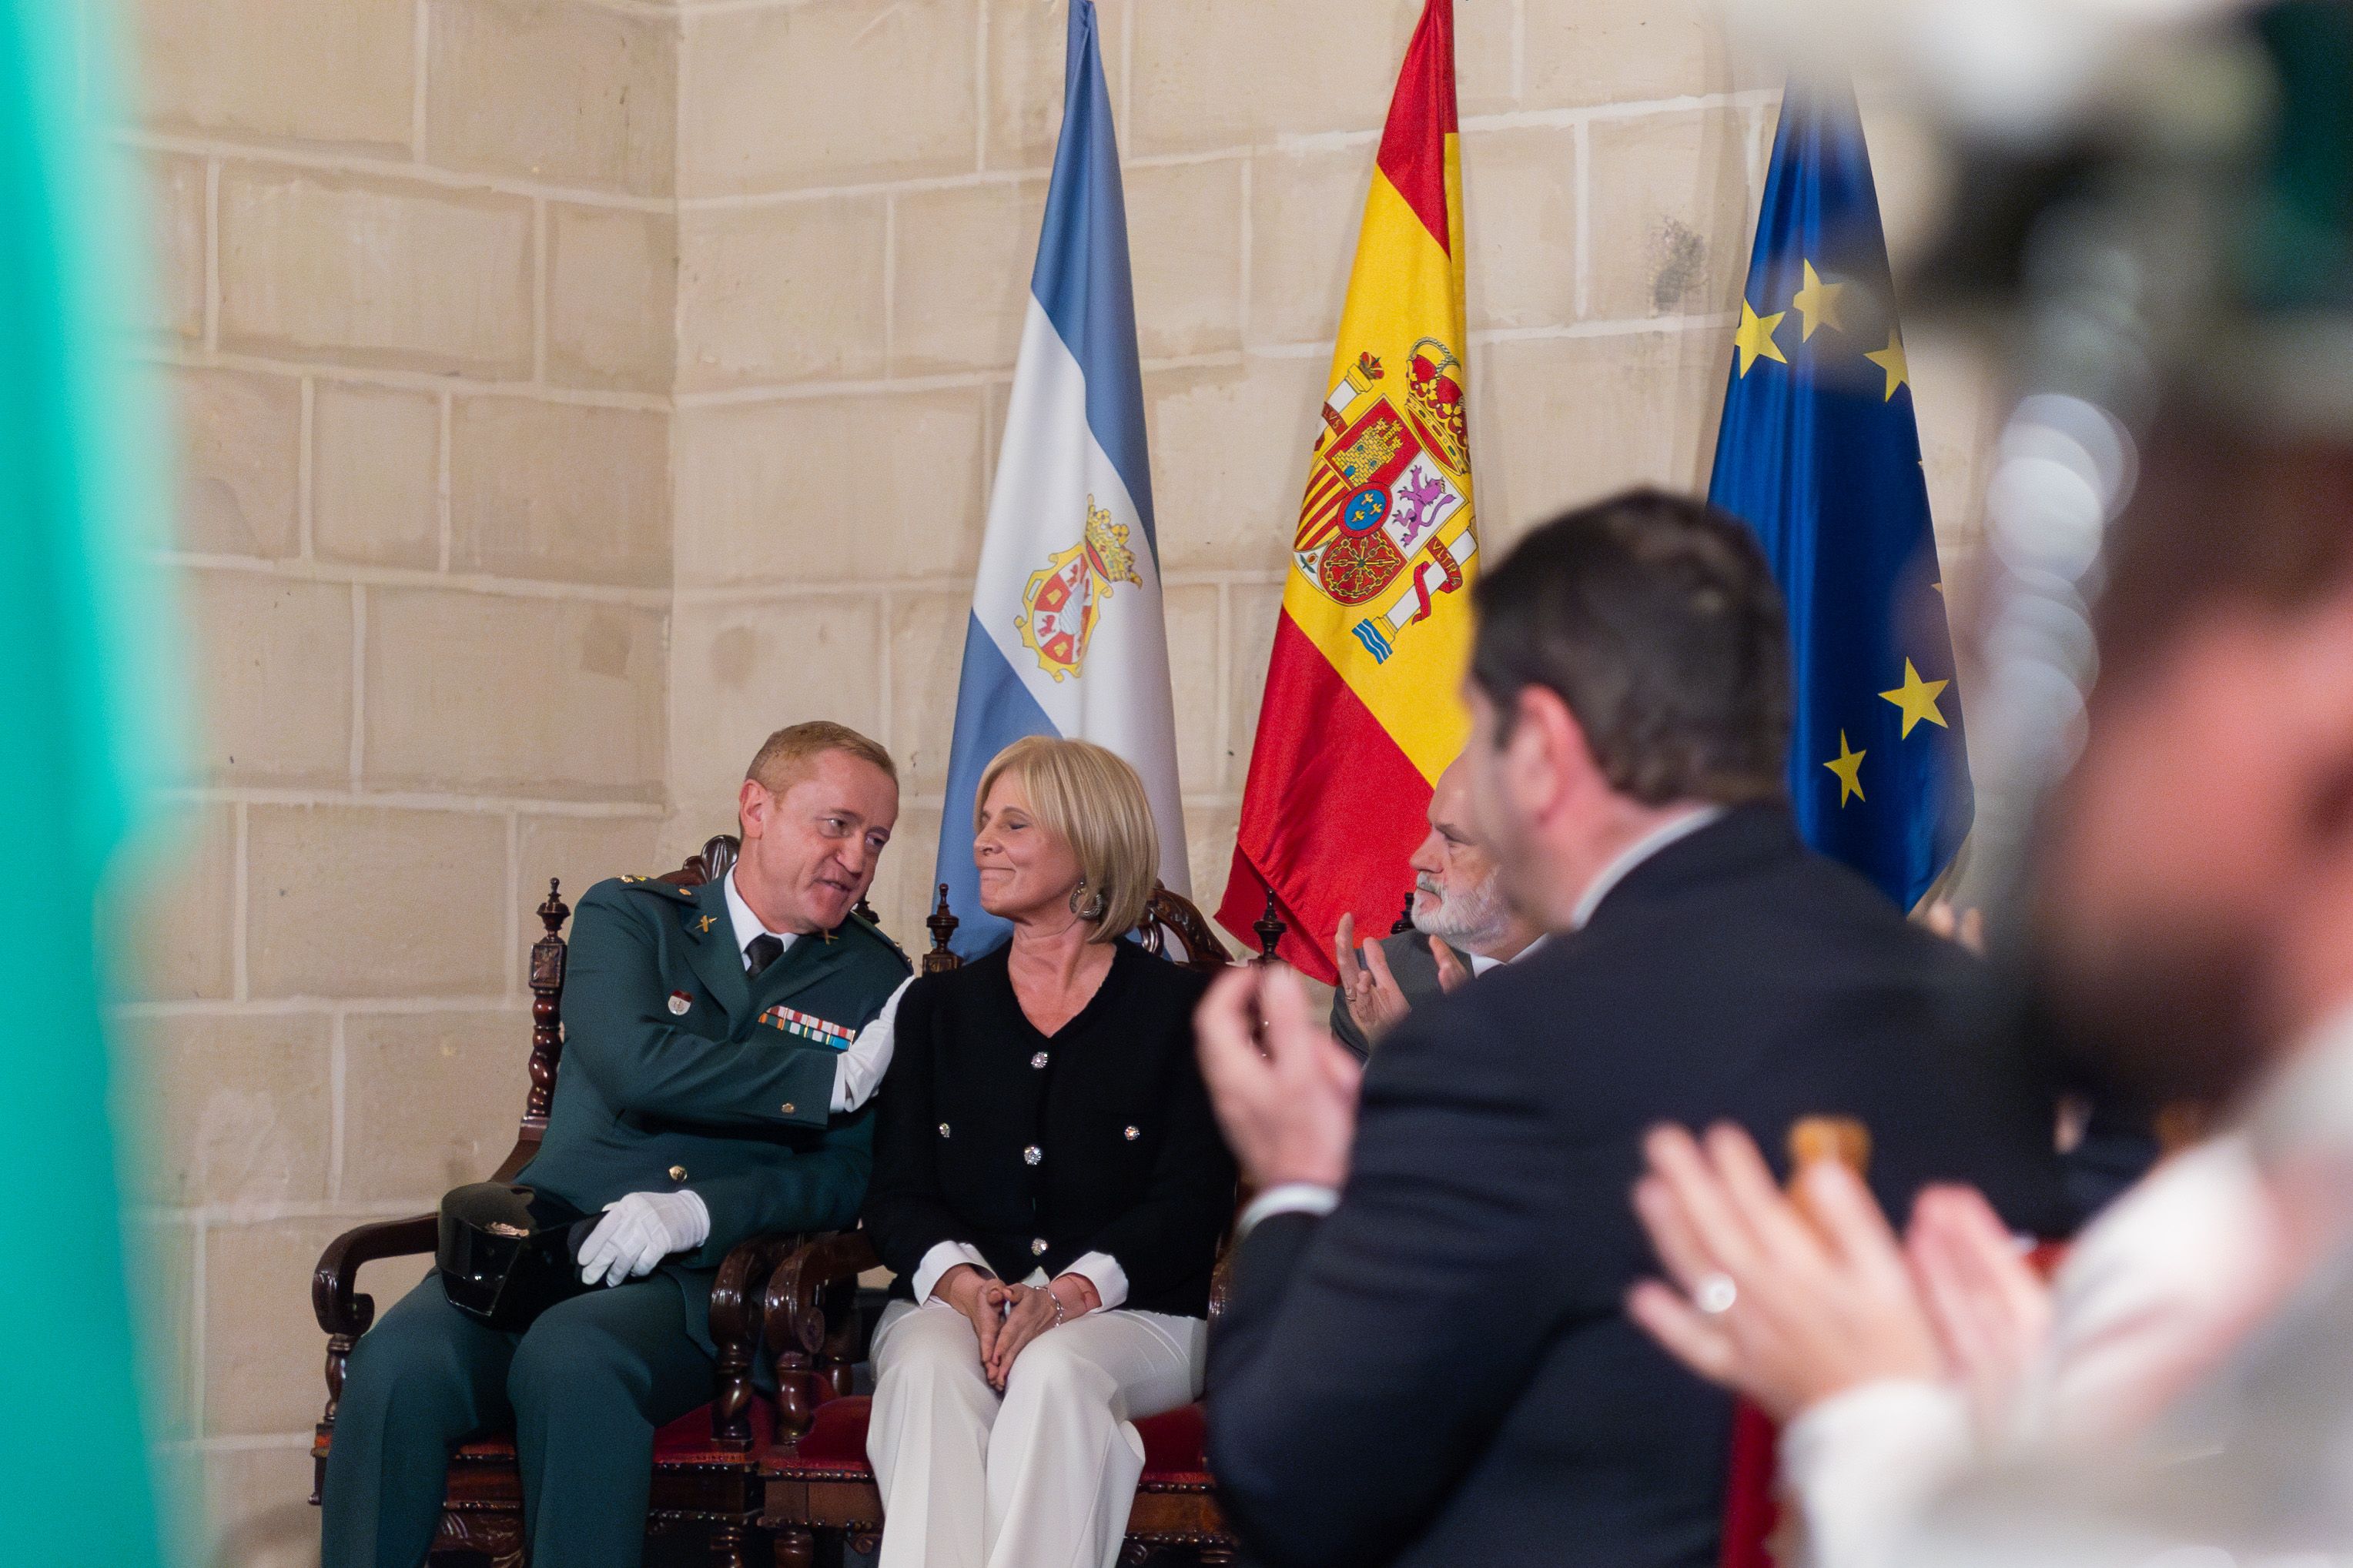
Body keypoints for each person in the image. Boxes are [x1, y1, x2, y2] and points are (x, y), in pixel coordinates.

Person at [1193, 490, 2070, 1568]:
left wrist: (1295, 1181)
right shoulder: (1974, 1011)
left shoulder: (1496, 1057)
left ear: (1546, 749)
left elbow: (1293, 1475)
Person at [1618, 412, 2353, 1568]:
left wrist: (1877, 1429)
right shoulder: (2246, 1222)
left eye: (2086, 612)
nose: (1949, 630)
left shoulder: (2257, 1261)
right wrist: (2026, 1426)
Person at [322, 722, 913, 1568]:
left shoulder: (873, 980)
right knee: (395, 1368)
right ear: (756, 808)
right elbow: (632, 1065)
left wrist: (696, 1212)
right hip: (543, 1248)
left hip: (702, 1285)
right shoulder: (631, 916)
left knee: (574, 1360)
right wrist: (825, 1084)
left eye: (876, 839)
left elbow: (845, 1177)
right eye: (837, 824)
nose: (856, 857)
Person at [862, 735, 1237, 1568]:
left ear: (1090, 844)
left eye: (1015, 824)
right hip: (950, 1304)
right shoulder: (935, 1008)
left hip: (1136, 1315)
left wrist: (1066, 1296)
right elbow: (894, 1194)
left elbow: (1191, 1202)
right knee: (925, 1376)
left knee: (1055, 1376)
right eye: (983, 822)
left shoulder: (1189, 1010)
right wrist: (963, 1287)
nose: (983, 842)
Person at [1328, 751, 1546, 1058]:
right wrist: (1397, 1060)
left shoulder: (1620, 981)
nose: (1418, 859)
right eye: (1431, 829)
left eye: (1453, 841)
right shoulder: (1380, 982)